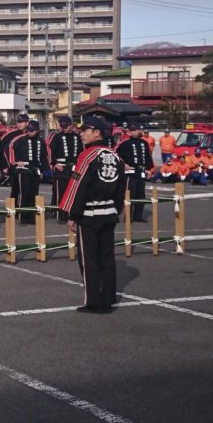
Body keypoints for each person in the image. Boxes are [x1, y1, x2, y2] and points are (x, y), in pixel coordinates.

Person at [58, 116, 127, 314]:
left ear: (97, 132)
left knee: (89, 259)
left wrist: (72, 214)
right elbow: (121, 186)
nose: (81, 134)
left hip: (89, 214)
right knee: (107, 257)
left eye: (85, 130)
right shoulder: (115, 156)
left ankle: (94, 301)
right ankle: (108, 298)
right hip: (109, 212)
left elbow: (78, 185)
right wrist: (117, 209)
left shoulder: (87, 156)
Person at [9, 120, 49, 225]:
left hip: (35, 170)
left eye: (32, 130)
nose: (29, 132)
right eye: (28, 130)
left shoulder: (41, 141)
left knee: (34, 194)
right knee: (24, 193)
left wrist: (44, 171)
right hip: (22, 170)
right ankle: (22, 217)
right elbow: (9, 149)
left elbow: (44, 157)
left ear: (37, 130)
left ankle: (31, 217)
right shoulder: (20, 139)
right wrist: (15, 162)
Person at [48, 116, 83, 224]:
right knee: (61, 192)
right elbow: (50, 151)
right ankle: (61, 216)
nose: (64, 128)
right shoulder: (56, 137)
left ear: (71, 125)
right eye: (62, 126)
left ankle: (72, 215)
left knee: (74, 191)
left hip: (74, 169)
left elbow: (81, 152)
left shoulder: (77, 137)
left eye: (66, 126)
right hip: (61, 169)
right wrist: (54, 163)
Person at [116, 123, 154, 222]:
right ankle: (128, 216)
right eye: (133, 130)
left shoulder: (144, 143)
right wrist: (123, 164)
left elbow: (147, 157)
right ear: (129, 132)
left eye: (137, 130)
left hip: (141, 172)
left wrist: (148, 169)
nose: (136, 132)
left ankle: (138, 216)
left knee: (140, 195)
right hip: (130, 173)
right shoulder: (125, 143)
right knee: (130, 194)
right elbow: (116, 156)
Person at [0, 113, 30, 203]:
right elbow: (0, 148)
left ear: (27, 123)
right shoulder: (10, 134)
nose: (19, 124)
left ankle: (26, 208)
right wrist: (4, 166)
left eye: (22, 122)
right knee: (15, 189)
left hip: (28, 167)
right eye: (18, 122)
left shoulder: (31, 133)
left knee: (28, 190)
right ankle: (13, 209)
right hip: (13, 166)